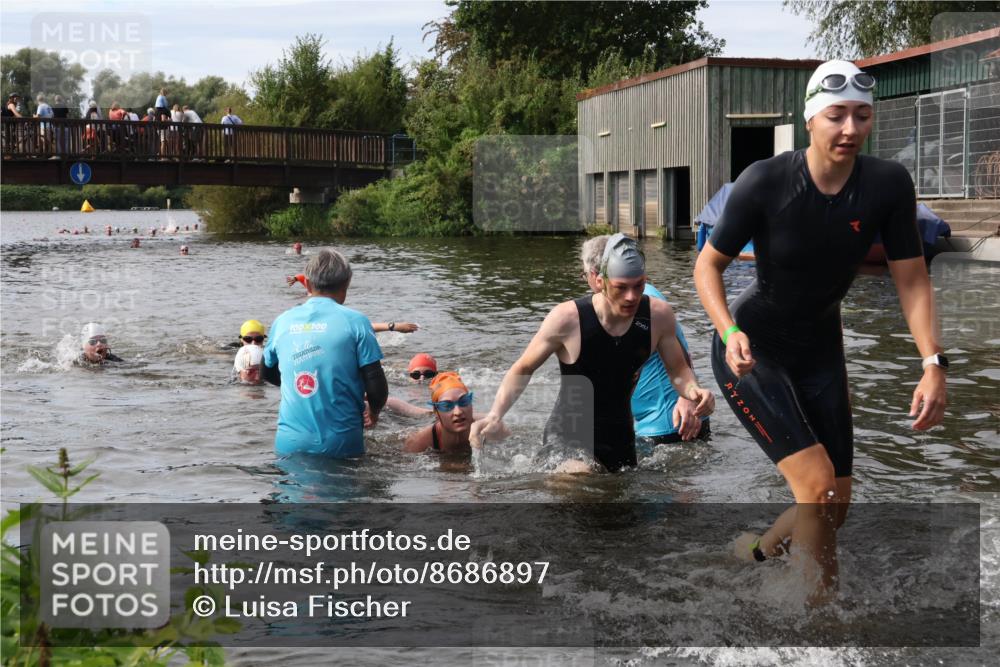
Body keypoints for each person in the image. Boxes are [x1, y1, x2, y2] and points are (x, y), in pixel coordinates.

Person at [693, 60, 947, 602]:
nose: (850, 129)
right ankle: (818, 624)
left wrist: (932, 363)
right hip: (752, 349)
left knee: (836, 504)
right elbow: (706, 267)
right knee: (816, 486)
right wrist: (728, 329)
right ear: (810, 119)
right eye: (836, 116)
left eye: (862, 116)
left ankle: (753, 554)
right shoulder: (766, 180)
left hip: (820, 349)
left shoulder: (887, 185)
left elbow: (912, 278)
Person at [471, 233, 715, 473]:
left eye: (639, 285)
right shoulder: (567, 319)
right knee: (579, 476)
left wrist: (694, 391)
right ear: (600, 281)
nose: (631, 297)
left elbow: (678, 370)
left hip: (620, 436)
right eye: (621, 287)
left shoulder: (658, 315)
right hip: (568, 432)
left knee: (616, 496)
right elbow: (524, 367)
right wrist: (495, 414)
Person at [580, 235, 709, 444]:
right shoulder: (611, 307)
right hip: (649, 421)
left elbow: (681, 351)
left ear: (596, 275)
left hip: (671, 419)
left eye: (585, 275)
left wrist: (686, 398)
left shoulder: (643, 299)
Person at [262, 249, 388, 457]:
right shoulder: (356, 322)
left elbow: (266, 372)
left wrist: (293, 385)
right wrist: (374, 411)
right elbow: (376, 384)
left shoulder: (282, 321)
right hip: (341, 443)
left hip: (289, 443)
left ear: (307, 284)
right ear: (346, 284)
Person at [404, 372, 506, 455]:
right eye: (447, 406)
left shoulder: (490, 426)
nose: (458, 412)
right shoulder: (420, 441)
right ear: (436, 412)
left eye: (463, 401)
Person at [284, 273, 418, 333]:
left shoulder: (285, 323)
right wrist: (393, 326)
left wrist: (295, 278)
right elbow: (360, 326)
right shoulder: (335, 321)